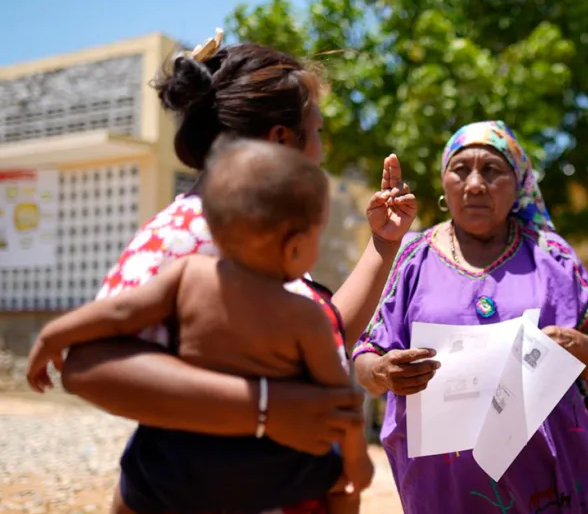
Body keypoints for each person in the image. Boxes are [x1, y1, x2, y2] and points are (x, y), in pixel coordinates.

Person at [58, 31, 417, 514]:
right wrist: (267, 408)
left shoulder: (256, 232)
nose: (322, 151)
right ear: (281, 140)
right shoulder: (187, 231)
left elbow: (322, 336)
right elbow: (88, 367)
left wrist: (383, 244)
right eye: (318, 132)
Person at [27, 141, 373, 514]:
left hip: (178, 463)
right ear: (293, 248)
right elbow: (340, 406)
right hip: (265, 470)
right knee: (341, 483)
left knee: (135, 475)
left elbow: (119, 312)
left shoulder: (188, 275)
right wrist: (358, 465)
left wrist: (53, 335)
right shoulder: (305, 316)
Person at [352, 120, 588, 514]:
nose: (475, 184)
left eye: (492, 170)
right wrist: (385, 372)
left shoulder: (552, 255)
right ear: (444, 183)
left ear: (519, 182)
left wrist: (573, 346)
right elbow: (365, 359)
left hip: (546, 485)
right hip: (441, 489)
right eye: (461, 170)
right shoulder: (412, 256)